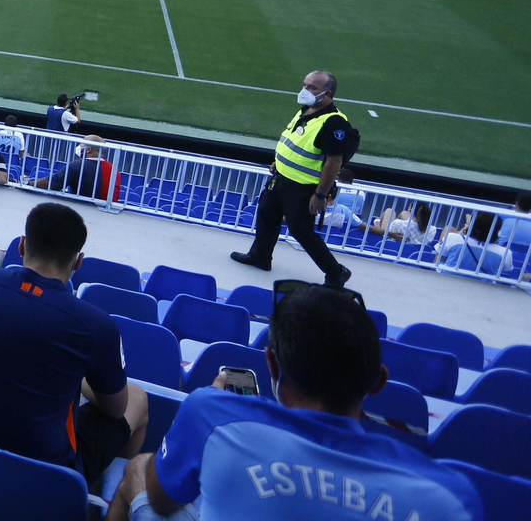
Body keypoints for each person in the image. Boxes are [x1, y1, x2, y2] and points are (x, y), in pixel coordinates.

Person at [105, 285, 482, 521]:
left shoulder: (211, 413)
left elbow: (162, 500)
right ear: (378, 381)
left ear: (271, 364)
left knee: (138, 468)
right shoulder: (454, 498)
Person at [0, 203, 149, 488]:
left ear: (22, 246)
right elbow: (115, 408)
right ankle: (101, 493)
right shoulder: (97, 326)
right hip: (46, 475)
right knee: (138, 399)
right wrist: (80, 377)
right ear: (78, 262)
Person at [232, 71, 354, 288]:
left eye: (312, 88)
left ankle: (336, 272)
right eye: (304, 85)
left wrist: (320, 194)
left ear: (328, 94)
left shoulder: (335, 123)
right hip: (281, 178)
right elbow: (293, 140)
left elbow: (333, 162)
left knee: (301, 230)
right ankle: (260, 256)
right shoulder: (306, 110)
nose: (305, 90)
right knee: (267, 214)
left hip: (303, 188)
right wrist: (278, 162)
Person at [33, 134, 114, 198]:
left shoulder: (76, 166)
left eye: (82, 144)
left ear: (88, 149)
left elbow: (52, 184)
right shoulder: (114, 171)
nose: (79, 147)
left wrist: (28, 184)